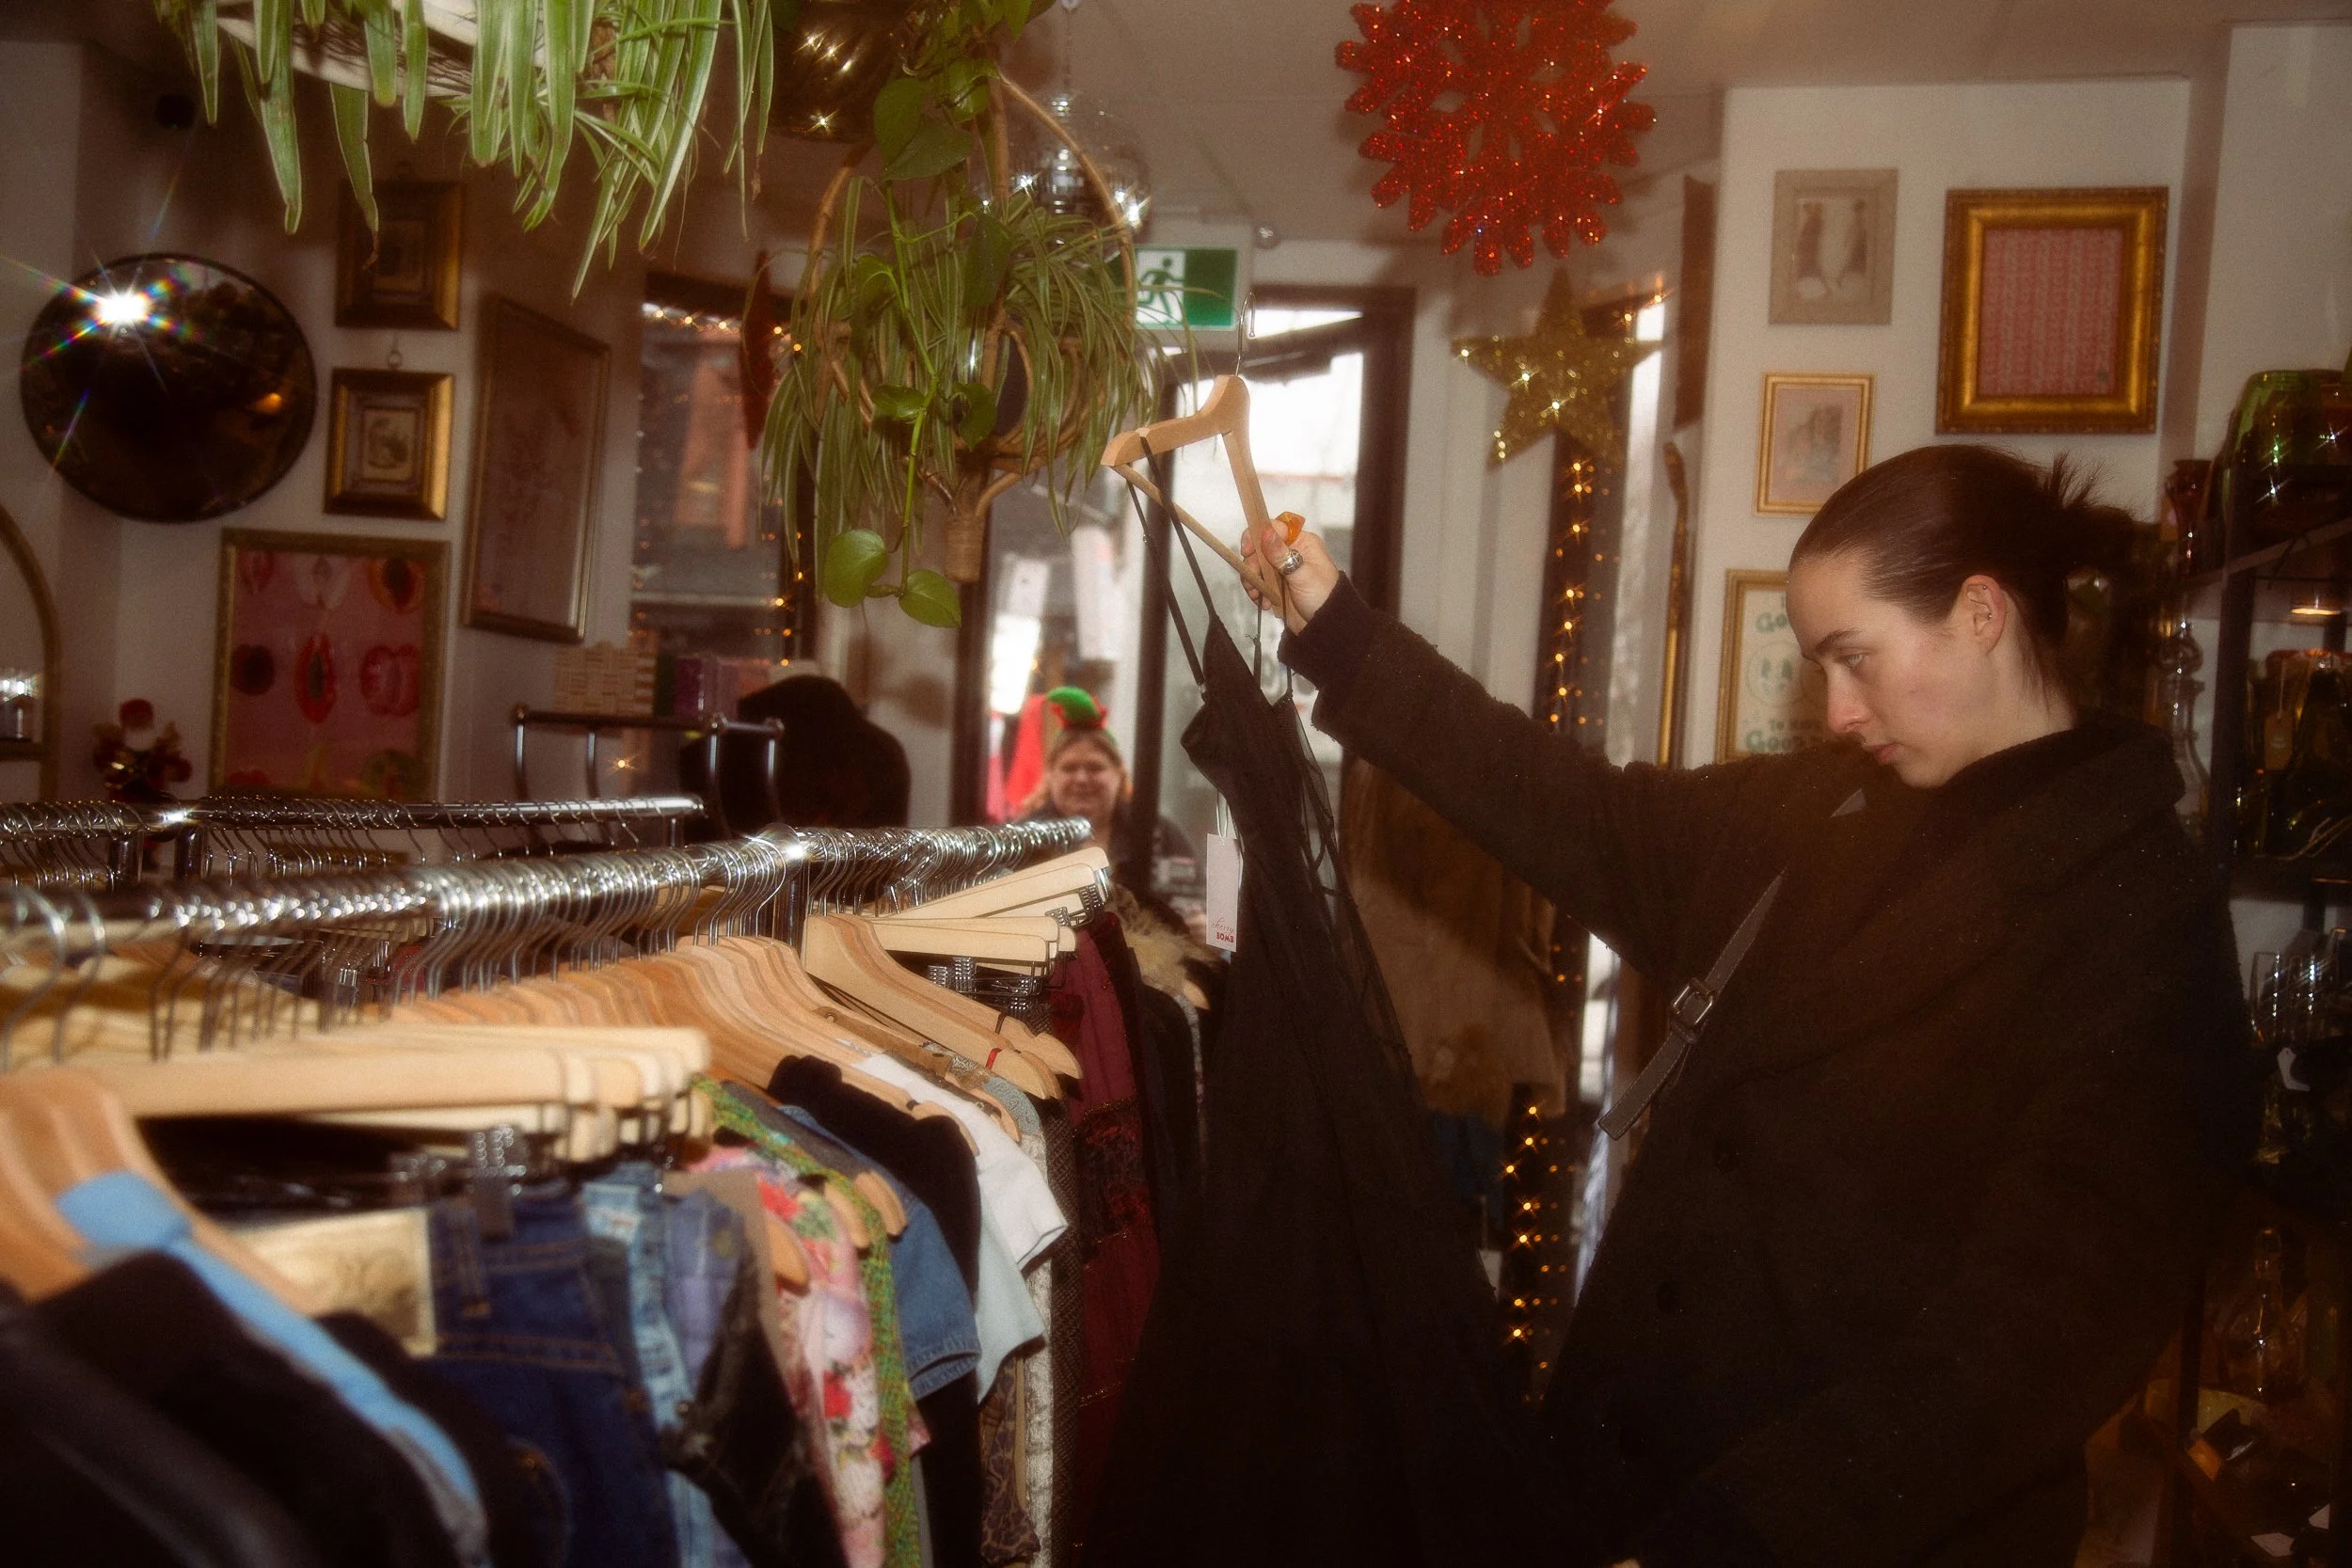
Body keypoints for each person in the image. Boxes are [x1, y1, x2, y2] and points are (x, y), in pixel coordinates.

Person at [1237, 443, 2256, 1568]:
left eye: (1855, 658)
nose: (1836, 707)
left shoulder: (2137, 919)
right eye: (1822, 665)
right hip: (1627, 1486)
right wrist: (1339, 631)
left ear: (1979, 611)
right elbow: (1569, 808)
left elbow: (2031, 1342)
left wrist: (1734, 1535)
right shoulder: (1814, 814)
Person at [1018, 687, 1196, 869]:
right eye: (1069, 768)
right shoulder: (1022, 842)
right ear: (1050, 775)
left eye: (1095, 768)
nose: (1081, 779)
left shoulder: (1158, 835)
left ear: (1119, 774)